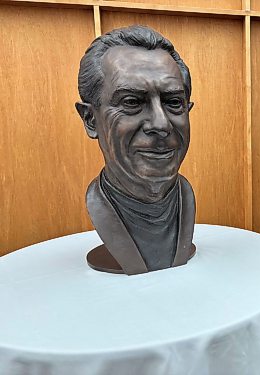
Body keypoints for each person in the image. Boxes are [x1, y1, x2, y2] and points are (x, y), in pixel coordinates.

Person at [75, 25, 196, 275]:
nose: (161, 124)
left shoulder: (186, 196)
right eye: (131, 102)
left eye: (174, 103)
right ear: (90, 119)